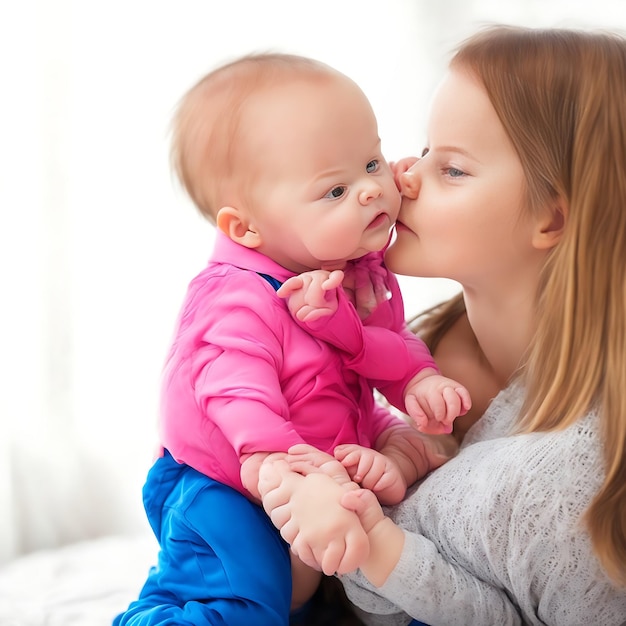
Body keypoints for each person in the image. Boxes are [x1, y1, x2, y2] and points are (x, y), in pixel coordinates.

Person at [258, 25, 626, 625]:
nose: (402, 175)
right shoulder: (414, 355)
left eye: (451, 168)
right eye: (424, 150)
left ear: (552, 218)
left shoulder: (585, 448)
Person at [113, 52, 470, 626]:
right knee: (244, 602)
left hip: (316, 474)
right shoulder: (235, 295)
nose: (373, 190)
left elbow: (377, 348)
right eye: (334, 190)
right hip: (227, 483)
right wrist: (281, 471)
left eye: (373, 161)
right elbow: (232, 390)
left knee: (377, 572)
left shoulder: (360, 273)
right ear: (246, 227)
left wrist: (416, 380)